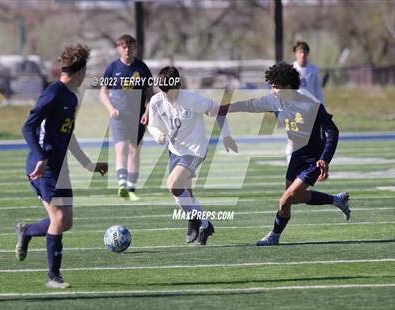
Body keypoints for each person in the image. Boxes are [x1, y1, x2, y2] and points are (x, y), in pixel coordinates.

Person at [217, 62, 350, 246]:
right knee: (294, 199)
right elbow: (251, 104)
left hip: (313, 158)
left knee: (285, 199)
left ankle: (274, 236)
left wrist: (324, 159)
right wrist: (226, 108)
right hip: (296, 157)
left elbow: (332, 132)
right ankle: (337, 200)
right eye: (271, 86)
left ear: (288, 86)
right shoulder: (275, 101)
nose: (273, 90)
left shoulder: (310, 105)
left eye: (276, 86)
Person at [16, 44, 108, 288]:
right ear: (79, 71)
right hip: (43, 167)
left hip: (59, 167)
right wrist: (40, 156)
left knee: (65, 222)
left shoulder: (70, 96)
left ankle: (26, 231)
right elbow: (28, 126)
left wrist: (88, 164)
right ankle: (53, 277)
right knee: (57, 217)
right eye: (85, 72)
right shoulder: (54, 92)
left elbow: (68, 135)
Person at [148, 66, 238, 245]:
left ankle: (197, 220)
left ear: (178, 85)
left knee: (173, 185)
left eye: (169, 91)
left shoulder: (192, 99)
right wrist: (157, 134)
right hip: (175, 151)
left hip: (195, 150)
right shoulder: (156, 101)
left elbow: (219, 110)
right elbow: (152, 125)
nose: (165, 95)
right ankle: (203, 224)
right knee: (184, 193)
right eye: (162, 91)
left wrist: (226, 135)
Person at [100, 34, 153, 201]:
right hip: (118, 116)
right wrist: (111, 109)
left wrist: (147, 112)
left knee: (134, 151)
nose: (127, 49)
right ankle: (122, 184)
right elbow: (103, 92)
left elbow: (150, 95)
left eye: (130, 46)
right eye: (123, 46)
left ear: (135, 48)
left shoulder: (142, 68)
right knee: (120, 148)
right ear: (118, 48)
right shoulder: (112, 68)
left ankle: (131, 187)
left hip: (137, 117)